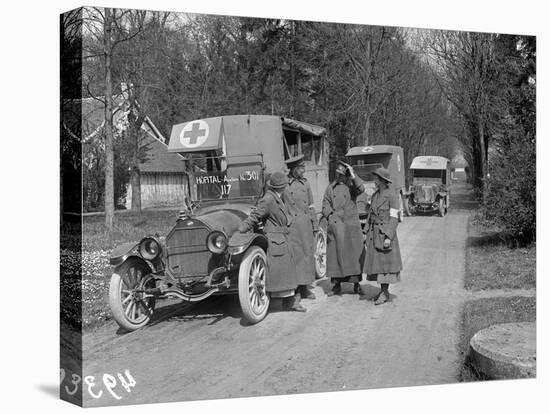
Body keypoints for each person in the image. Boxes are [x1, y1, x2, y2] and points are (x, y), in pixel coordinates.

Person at [238, 171, 306, 312]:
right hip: (276, 239)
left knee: (288, 272)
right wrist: (241, 230)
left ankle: (290, 302)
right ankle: (289, 303)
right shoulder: (268, 199)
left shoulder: (278, 197)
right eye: (285, 185)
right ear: (281, 187)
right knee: (282, 273)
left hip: (282, 238)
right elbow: (255, 216)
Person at [322, 161, 365, 295]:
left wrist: (353, 174)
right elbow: (325, 204)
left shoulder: (352, 187)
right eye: (337, 173)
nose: (338, 176)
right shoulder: (330, 188)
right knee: (336, 256)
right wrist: (330, 216)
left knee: (353, 255)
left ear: (346, 175)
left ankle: (356, 285)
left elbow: (362, 189)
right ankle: (336, 286)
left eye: (341, 174)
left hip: (350, 225)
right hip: (336, 225)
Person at [361, 167, 403, 305]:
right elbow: (370, 215)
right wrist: (366, 231)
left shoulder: (391, 195)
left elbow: (394, 217)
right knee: (378, 266)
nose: (375, 181)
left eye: (377, 178)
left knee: (386, 266)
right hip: (374, 234)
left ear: (383, 181)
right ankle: (383, 291)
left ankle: (385, 293)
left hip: (384, 234)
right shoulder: (375, 195)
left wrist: (388, 237)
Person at [283, 155, 317, 300]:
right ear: (294, 169)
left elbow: (311, 205)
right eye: (301, 168)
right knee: (295, 259)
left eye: (304, 168)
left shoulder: (306, 184)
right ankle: (295, 291)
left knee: (307, 256)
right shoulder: (285, 184)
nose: (303, 171)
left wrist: (314, 225)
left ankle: (305, 289)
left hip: (306, 226)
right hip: (293, 228)